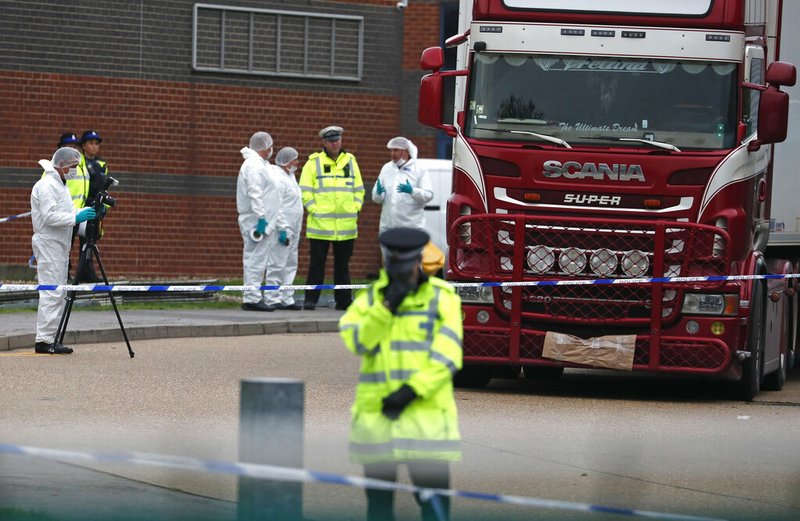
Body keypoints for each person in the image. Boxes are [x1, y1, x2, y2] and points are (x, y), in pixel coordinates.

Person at [338, 227, 463, 521]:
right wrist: (386, 307)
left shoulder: (442, 298)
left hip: (425, 423)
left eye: (405, 268)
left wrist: (411, 391)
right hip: (378, 424)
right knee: (379, 509)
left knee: (434, 509)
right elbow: (357, 341)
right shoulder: (371, 300)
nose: (400, 274)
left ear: (418, 262)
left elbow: (448, 355)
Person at [31, 147, 97, 354]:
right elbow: (50, 217)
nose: (75, 170)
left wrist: (84, 213)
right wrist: (75, 218)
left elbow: (64, 212)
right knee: (51, 292)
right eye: (73, 167)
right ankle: (44, 341)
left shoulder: (59, 185)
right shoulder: (47, 185)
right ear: (61, 165)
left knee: (57, 292)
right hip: (50, 244)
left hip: (58, 246)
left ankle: (49, 338)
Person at [299, 126, 365, 310]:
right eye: (330, 141)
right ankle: (310, 299)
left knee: (342, 266)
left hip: (346, 225)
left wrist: (356, 208)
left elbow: (359, 189)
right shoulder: (314, 162)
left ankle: (343, 301)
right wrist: (314, 209)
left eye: (337, 140)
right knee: (316, 264)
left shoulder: (351, 161)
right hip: (320, 224)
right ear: (324, 143)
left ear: (341, 141)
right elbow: (305, 189)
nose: (334, 143)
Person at [236, 131, 285, 311]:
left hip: (262, 220)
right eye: (270, 146)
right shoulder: (253, 166)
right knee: (254, 259)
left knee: (258, 258)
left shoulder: (261, 164)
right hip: (255, 221)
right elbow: (254, 192)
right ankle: (251, 297)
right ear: (265, 147)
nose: (272, 149)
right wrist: (261, 218)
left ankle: (253, 296)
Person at [264, 147, 304, 310]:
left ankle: (286, 297)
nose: (297, 162)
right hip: (284, 227)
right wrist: (282, 229)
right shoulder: (278, 178)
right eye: (295, 159)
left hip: (294, 226)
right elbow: (277, 205)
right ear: (287, 161)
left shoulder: (290, 176)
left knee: (290, 262)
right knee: (277, 262)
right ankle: (272, 297)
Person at [372, 137, 433, 235]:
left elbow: (428, 195)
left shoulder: (419, 169)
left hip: (411, 228)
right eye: (391, 151)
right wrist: (378, 193)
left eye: (396, 150)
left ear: (406, 152)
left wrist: (412, 191)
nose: (392, 154)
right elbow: (376, 199)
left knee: (410, 250)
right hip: (388, 227)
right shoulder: (387, 168)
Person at [73, 130, 109, 283]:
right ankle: (65, 273)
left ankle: (86, 272)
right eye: (91, 143)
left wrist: (103, 207)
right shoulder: (77, 161)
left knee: (89, 241)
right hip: (78, 206)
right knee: (68, 241)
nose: (94, 147)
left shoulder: (102, 165)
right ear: (83, 146)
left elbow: (104, 188)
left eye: (96, 144)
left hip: (93, 208)